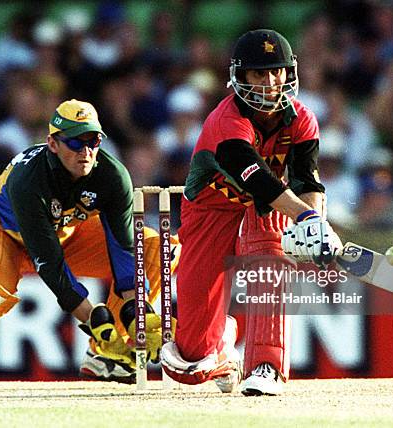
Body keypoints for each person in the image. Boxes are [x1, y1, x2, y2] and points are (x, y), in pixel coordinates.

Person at [0, 99, 177, 390]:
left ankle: (104, 356)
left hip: (63, 232)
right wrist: (92, 318)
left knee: (159, 249)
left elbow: (125, 248)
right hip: (2, 229)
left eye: (93, 141)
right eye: (75, 142)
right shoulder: (29, 180)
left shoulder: (112, 176)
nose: (86, 152)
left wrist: (136, 309)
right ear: (53, 144)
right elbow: (50, 264)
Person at [160, 30, 342, 396]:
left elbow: (308, 181)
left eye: (277, 72)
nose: (270, 83)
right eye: (259, 74)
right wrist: (306, 218)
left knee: (270, 246)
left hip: (267, 206)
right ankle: (223, 346)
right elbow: (260, 181)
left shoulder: (302, 119)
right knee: (189, 360)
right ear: (239, 77)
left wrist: (317, 224)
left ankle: (266, 365)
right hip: (211, 207)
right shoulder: (226, 123)